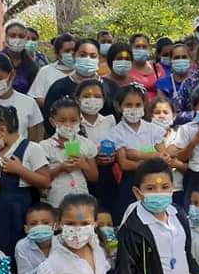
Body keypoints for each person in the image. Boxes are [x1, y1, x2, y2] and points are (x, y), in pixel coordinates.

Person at [0, 105, 51, 256]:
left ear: (2, 130)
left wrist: (19, 170)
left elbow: (45, 181)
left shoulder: (31, 148)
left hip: (17, 213)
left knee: (16, 252)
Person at [107, 85, 168, 222]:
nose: (133, 108)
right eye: (128, 105)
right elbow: (125, 164)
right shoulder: (116, 132)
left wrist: (137, 155)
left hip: (154, 183)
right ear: (119, 106)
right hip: (130, 183)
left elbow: (163, 157)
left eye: (137, 104)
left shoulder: (154, 130)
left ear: (144, 105)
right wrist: (153, 156)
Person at [42, 98, 99, 208]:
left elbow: (94, 177)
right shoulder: (44, 146)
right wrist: (60, 168)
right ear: (52, 122)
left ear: (80, 120)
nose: (68, 124)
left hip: (81, 199)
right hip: (56, 200)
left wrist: (84, 165)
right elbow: (42, 179)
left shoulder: (86, 144)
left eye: (73, 120)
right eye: (62, 121)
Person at [42, 39, 104, 130]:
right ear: (74, 56)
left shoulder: (108, 87)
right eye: (82, 55)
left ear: (100, 58)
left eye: (93, 56)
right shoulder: (59, 87)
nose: (87, 59)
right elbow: (49, 120)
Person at [75, 79, 117, 212]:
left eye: (97, 96)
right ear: (77, 99)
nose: (92, 100)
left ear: (104, 99)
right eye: (86, 96)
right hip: (83, 176)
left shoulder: (109, 121)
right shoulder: (73, 124)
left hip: (108, 176)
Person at [151, 94, 187, 202]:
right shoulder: (146, 135)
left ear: (174, 115)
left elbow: (190, 165)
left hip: (178, 189)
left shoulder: (180, 134)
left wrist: (177, 164)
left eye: (165, 112)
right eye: (157, 113)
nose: (161, 116)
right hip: (153, 191)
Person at [28, 34, 80, 107]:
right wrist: (56, 108)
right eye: (67, 51)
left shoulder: (82, 71)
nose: (72, 54)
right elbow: (37, 97)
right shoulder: (46, 71)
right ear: (57, 53)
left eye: (74, 50)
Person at [2, 21, 39, 94]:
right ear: (6, 38)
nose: (17, 39)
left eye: (21, 36)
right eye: (12, 36)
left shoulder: (31, 66)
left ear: (25, 39)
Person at [129, 33, 166, 101]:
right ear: (130, 48)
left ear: (149, 48)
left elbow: (163, 95)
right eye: (137, 46)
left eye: (144, 47)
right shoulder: (126, 69)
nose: (141, 49)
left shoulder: (157, 68)